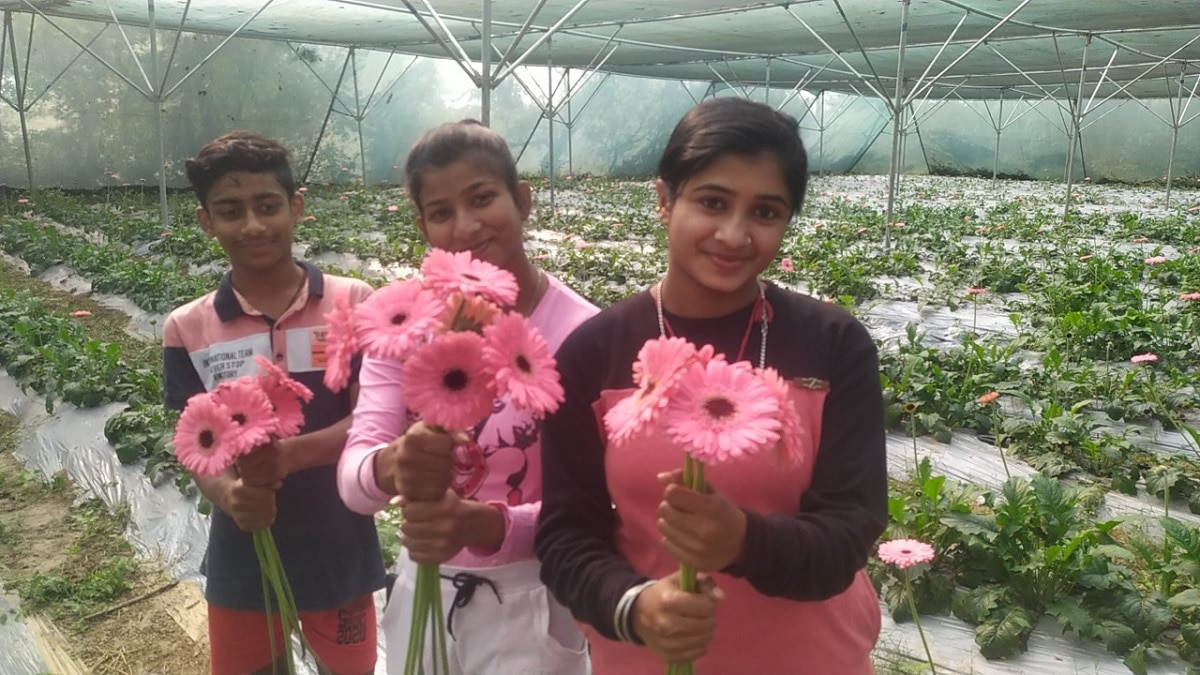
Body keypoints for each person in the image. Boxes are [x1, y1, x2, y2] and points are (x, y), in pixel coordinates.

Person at [535, 97, 888, 674]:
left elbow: (852, 529)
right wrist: (636, 606)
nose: (733, 234)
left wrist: (744, 540)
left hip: (810, 657)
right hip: (647, 657)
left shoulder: (833, 343)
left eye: (765, 212)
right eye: (712, 201)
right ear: (664, 199)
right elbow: (566, 534)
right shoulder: (594, 353)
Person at [337, 120, 597, 675]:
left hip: (531, 599)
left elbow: (590, 509)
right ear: (423, 225)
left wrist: (485, 526)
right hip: (421, 584)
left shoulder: (582, 333)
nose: (465, 226)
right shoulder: (402, 320)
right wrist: (389, 466)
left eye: (482, 199)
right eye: (440, 211)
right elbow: (354, 480)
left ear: (522, 200)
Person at [163, 131, 386, 675]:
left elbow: (376, 418)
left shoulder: (354, 303)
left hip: (338, 544)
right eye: (230, 211)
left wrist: (289, 456)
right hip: (244, 554)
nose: (253, 225)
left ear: (297, 207)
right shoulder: (187, 327)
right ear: (206, 221)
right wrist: (229, 493)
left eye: (267, 206)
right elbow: (194, 442)